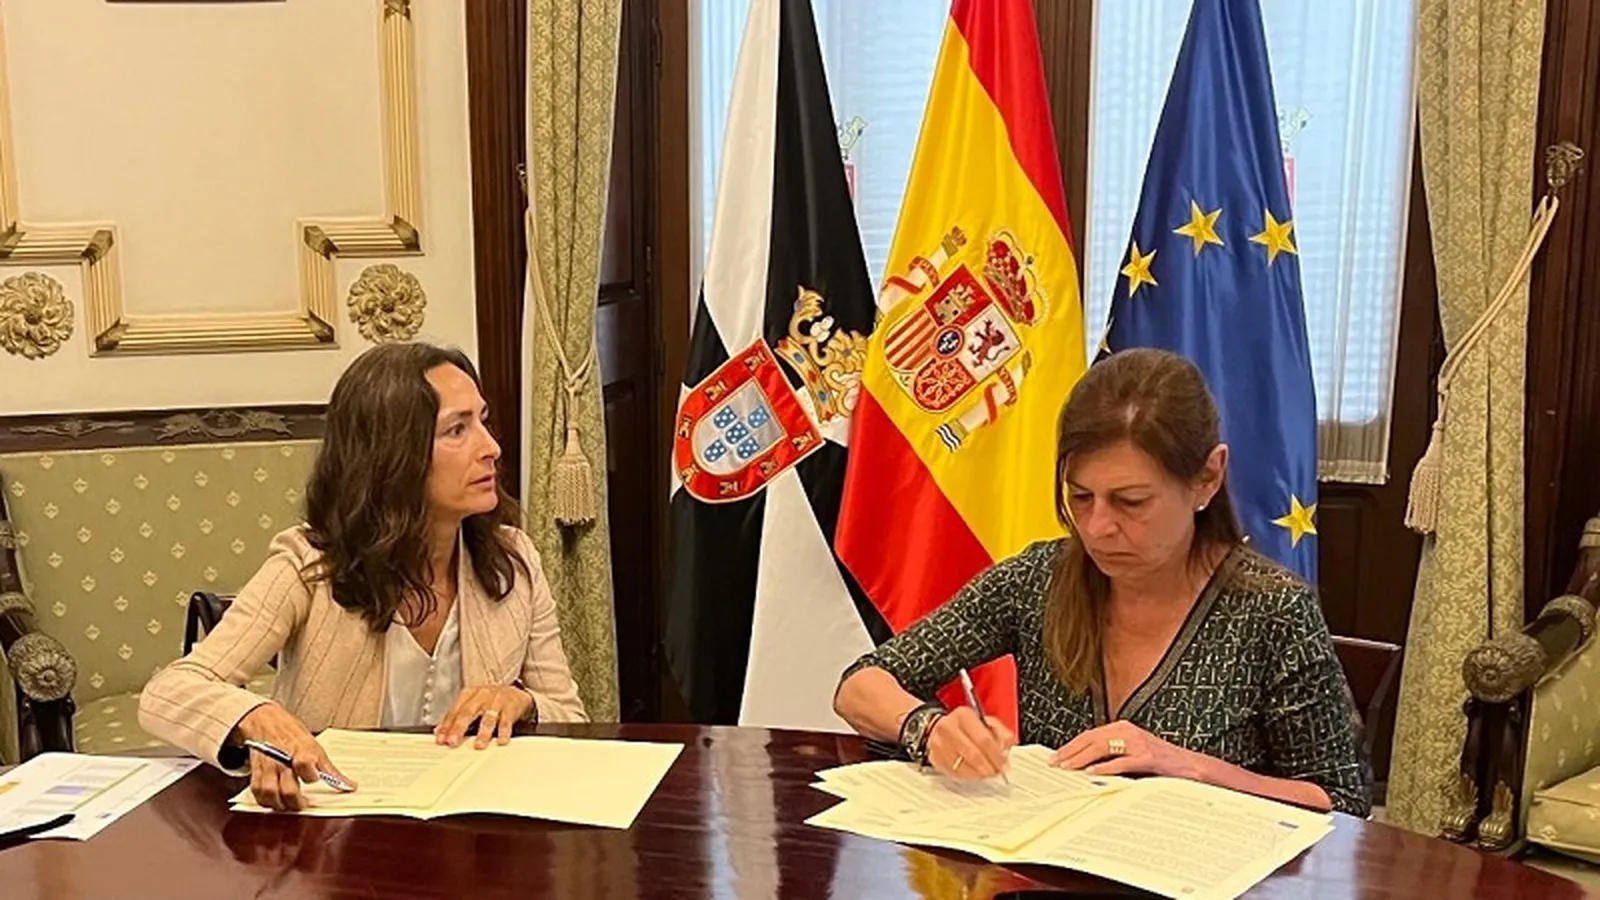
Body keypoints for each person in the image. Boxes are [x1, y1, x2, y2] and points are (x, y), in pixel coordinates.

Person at [833, 347, 1371, 817]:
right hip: (1050, 871)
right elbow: (861, 684)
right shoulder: (1039, 579)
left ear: (1208, 477)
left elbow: (1340, 802)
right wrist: (927, 729)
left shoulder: (1272, 610)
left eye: (1130, 501)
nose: (1096, 528)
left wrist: (1186, 766)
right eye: (1081, 497)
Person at [139, 342, 587, 811]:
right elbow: (170, 691)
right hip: (338, 831)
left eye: (483, 421)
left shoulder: (514, 559)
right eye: (457, 430)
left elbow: (572, 717)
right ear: (392, 455)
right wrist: (255, 715)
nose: (491, 448)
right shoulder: (310, 565)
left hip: (475, 826)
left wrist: (524, 704)